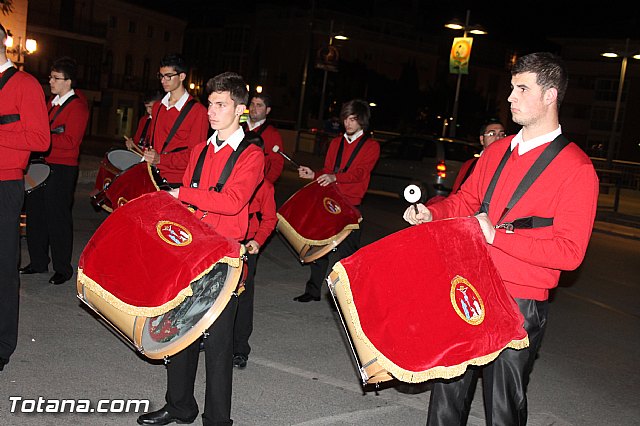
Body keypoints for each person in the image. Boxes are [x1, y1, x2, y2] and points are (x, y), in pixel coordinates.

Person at [403, 52, 599, 425]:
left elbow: (570, 253)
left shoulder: (578, 169)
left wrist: (497, 237)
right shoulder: (496, 150)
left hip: (520, 301)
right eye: (511, 88)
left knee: (503, 403)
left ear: (550, 95)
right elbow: (465, 201)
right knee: (447, 389)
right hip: (470, 285)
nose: (510, 97)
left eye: (522, 89)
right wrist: (433, 212)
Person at [137, 72, 264, 426]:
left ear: (239, 110)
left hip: (224, 257)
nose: (211, 111)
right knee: (179, 332)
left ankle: (217, 419)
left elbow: (234, 201)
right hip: (192, 253)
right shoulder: (200, 150)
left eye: (220, 105)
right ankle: (180, 406)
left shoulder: (252, 155)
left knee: (220, 346)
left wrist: (183, 194)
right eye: (209, 103)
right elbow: (192, 209)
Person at [294, 99, 380, 302]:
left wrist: (335, 177)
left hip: (351, 206)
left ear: (362, 121)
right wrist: (313, 174)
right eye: (345, 119)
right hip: (330, 201)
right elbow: (327, 171)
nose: (348, 123)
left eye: (353, 119)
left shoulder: (371, 146)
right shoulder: (335, 143)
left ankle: (346, 297)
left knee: (347, 254)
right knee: (319, 246)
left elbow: (359, 173)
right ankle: (313, 290)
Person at [0, 23, 49, 372]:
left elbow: (40, 139)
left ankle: (3, 344)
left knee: (3, 269)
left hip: (5, 184)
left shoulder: (25, 84)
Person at [21, 56, 89, 285]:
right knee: (36, 214)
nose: (50, 81)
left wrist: (44, 138)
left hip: (62, 168)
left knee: (57, 219)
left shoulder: (78, 106)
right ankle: (38, 262)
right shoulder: (52, 102)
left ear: (68, 81)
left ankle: (63, 268)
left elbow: (71, 142)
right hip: (42, 165)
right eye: (51, 77)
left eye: (55, 78)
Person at [142, 53, 208, 187]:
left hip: (177, 182)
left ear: (182, 76)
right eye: (161, 75)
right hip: (152, 175)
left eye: (168, 76)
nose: (163, 80)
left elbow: (195, 155)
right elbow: (152, 142)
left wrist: (161, 159)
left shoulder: (198, 111)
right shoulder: (157, 107)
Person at [232, 174, 277, 369]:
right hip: (223, 241)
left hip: (247, 245)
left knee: (243, 297)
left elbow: (270, 218)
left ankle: (240, 349)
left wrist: (258, 240)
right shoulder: (228, 178)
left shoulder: (265, 187)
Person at [449, 119, 506, 194]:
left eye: (502, 134)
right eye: (492, 134)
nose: (498, 138)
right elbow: (456, 194)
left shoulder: (509, 165)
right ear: (482, 139)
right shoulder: (469, 165)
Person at [242, 93, 284, 183]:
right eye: (252, 104)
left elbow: (277, 164)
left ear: (267, 110)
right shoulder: (238, 127)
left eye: (259, 105)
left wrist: (265, 185)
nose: (254, 108)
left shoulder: (272, 134)